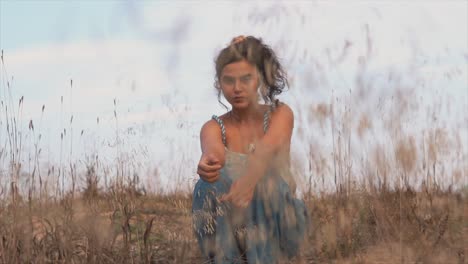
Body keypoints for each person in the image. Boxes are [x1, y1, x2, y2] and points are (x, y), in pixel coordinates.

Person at [192, 35, 308, 264]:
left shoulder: (280, 114)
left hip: (281, 230)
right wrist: (208, 165)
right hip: (234, 230)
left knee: (267, 182)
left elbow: (267, 149)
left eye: (246, 79)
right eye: (228, 80)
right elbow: (213, 151)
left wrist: (249, 180)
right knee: (208, 184)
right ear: (219, 83)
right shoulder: (214, 126)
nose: (237, 88)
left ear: (260, 80)